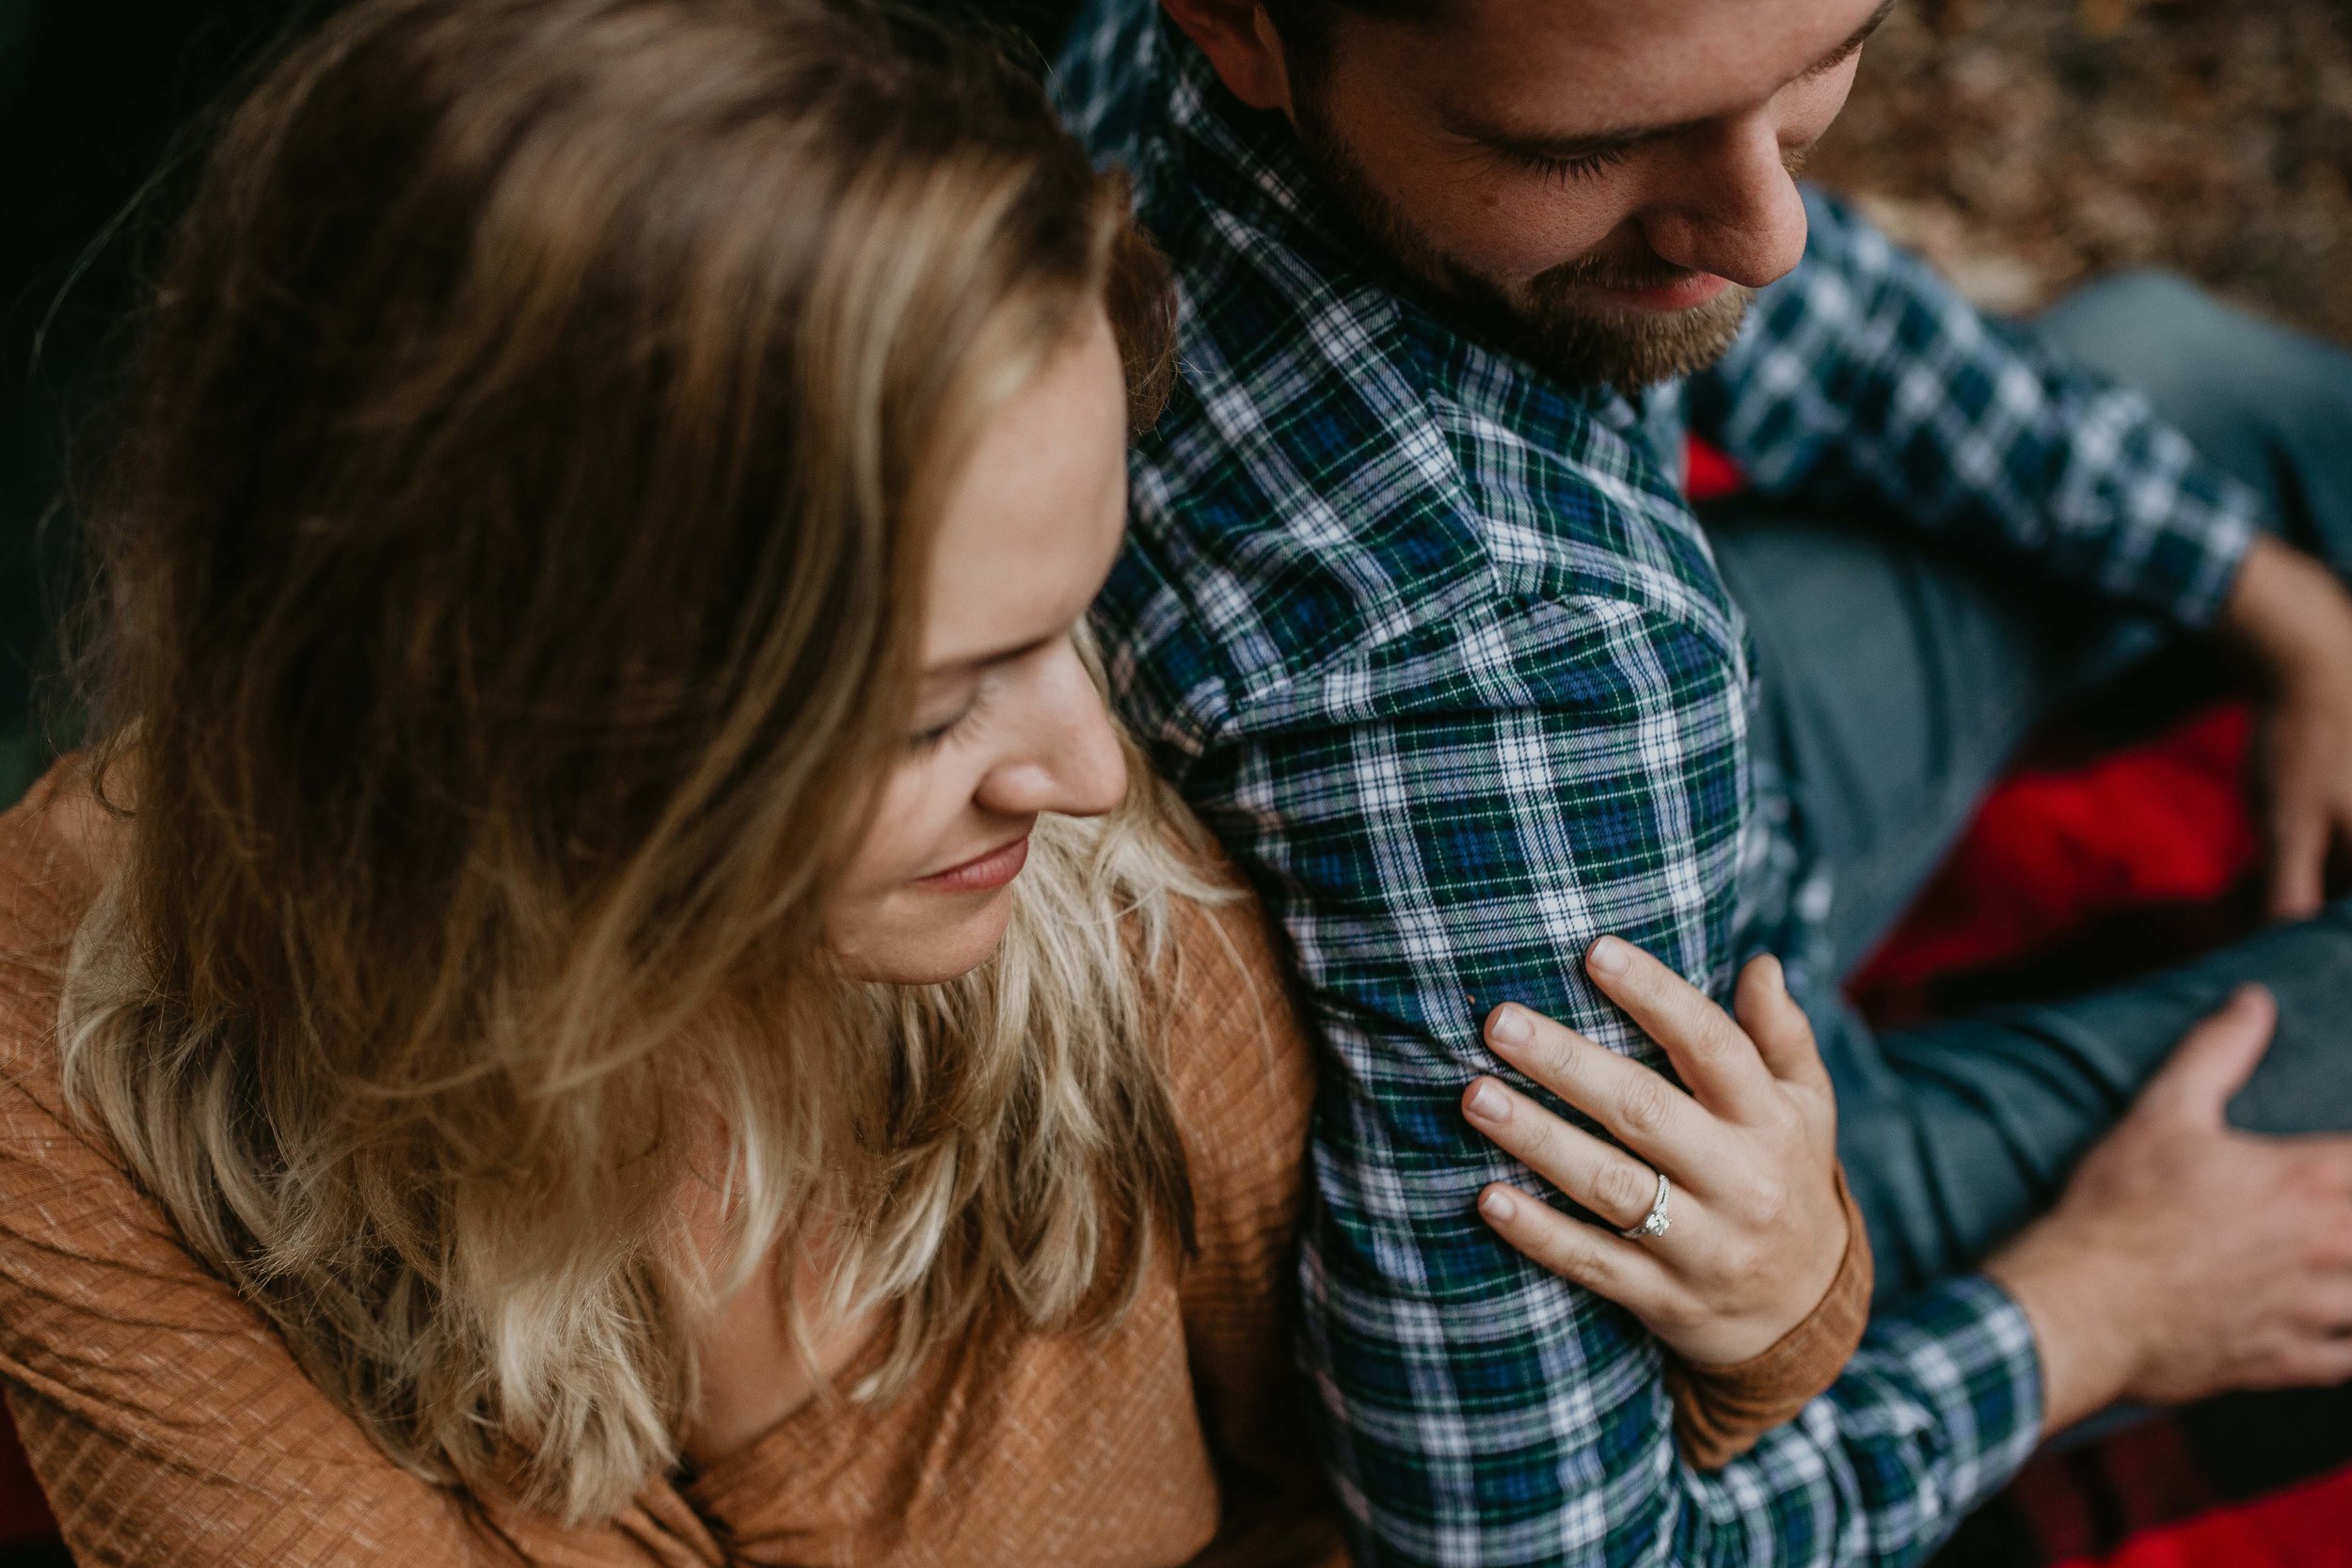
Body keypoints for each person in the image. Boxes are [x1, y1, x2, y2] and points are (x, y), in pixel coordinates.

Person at [0, 1, 1881, 1562]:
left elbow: (1442, 1516)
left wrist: (1785, 1310)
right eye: (925, 714)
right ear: (486, 725)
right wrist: (2059, 1315)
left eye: (1075, 621)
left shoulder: (1123, 931)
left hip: (1740, 908)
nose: (1086, 767)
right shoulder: (65, 1061)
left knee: (2142, 413)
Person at [1053, 0, 2352, 1561]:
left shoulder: (1246, 79)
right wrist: (2100, 1310)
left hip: (1709, 832)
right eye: (1589, 147)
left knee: (2165, 360)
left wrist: (2262, 596)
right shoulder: (1521, 670)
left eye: (1816, 64)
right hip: (1739, 1175)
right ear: (1239, 26)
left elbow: (1827, 319)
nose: (1771, 230)